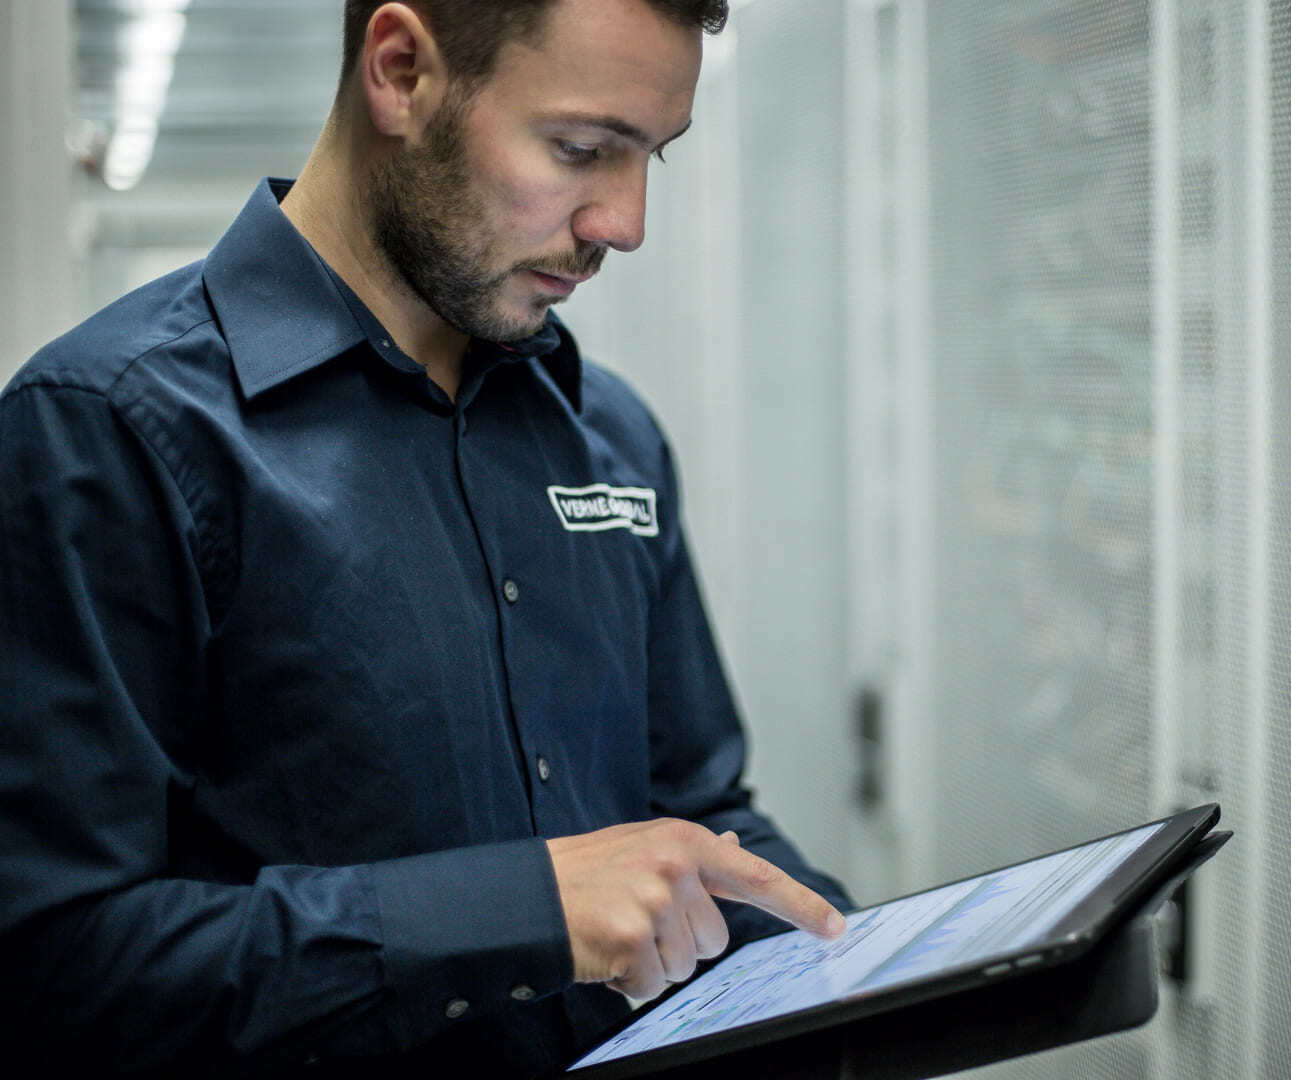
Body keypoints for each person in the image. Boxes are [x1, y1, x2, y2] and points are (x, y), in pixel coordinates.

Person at [0, 0, 851, 1074]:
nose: (624, 223)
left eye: (652, 159)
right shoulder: (111, 429)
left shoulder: (611, 438)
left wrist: (874, 965)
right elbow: (56, 962)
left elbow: (700, 817)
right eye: (581, 150)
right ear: (400, 72)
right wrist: (520, 911)